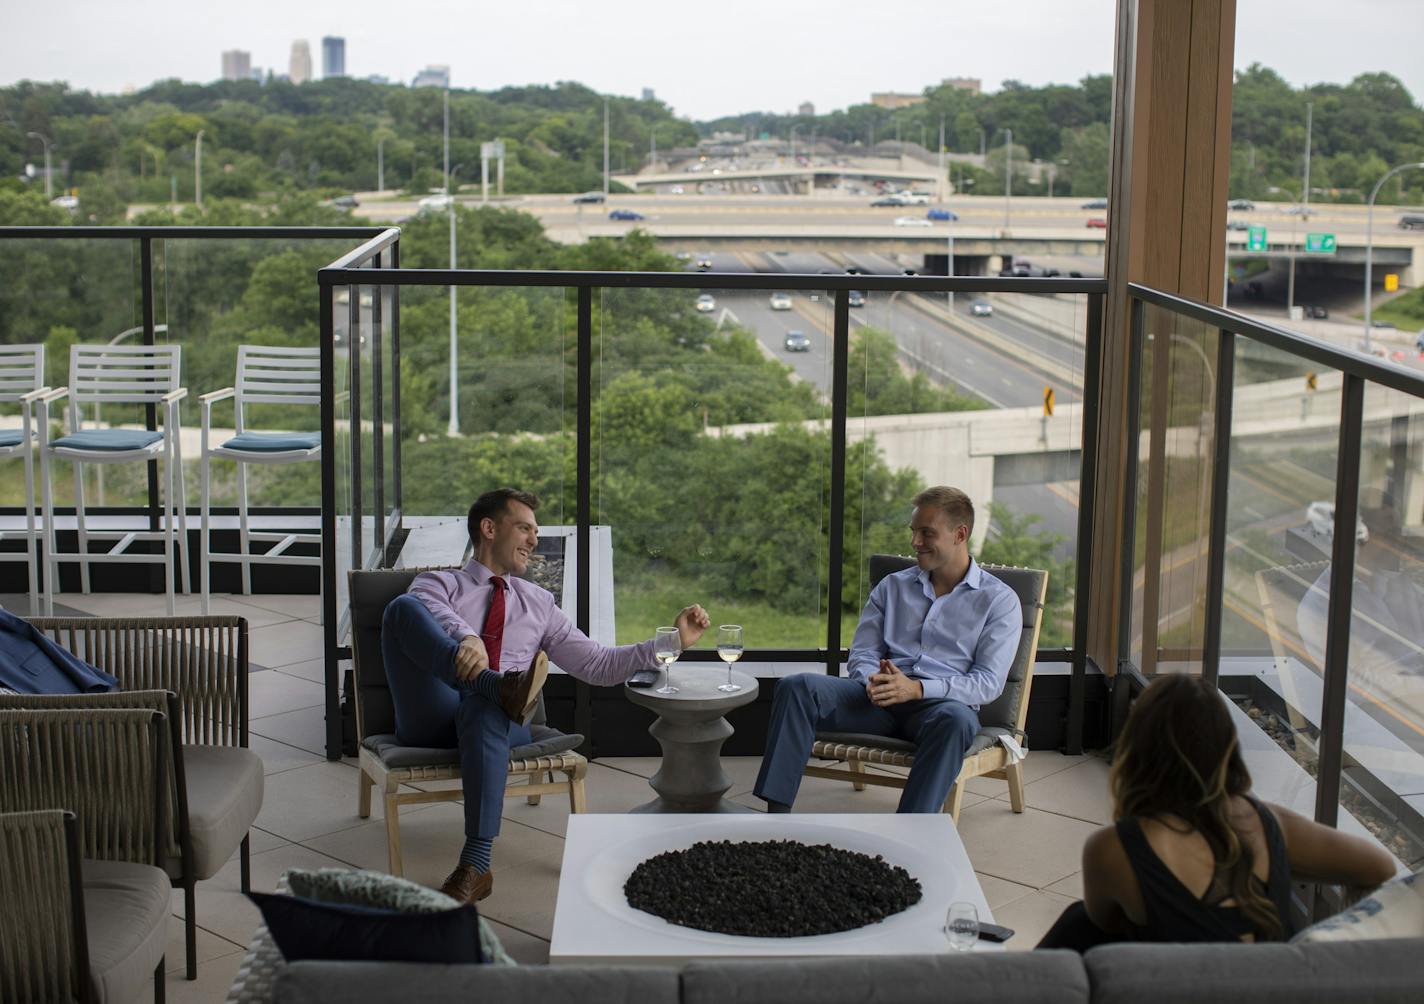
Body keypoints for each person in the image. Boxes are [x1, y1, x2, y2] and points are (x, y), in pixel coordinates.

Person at [382, 487, 710, 904]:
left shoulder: (539, 603)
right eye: (524, 528)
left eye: (535, 532)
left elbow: (598, 664)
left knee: (488, 708)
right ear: (488, 528)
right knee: (401, 610)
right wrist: (467, 638)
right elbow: (428, 614)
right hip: (432, 713)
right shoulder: (438, 583)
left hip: (496, 725)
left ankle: (475, 864)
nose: (534, 541)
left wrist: (673, 642)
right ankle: (495, 684)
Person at [1038, 673, 1396, 950]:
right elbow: (1379, 866)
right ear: (1226, 744)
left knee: (1081, 922)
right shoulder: (1270, 824)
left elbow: (1105, 921)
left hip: (1171, 985)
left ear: (1137, 747)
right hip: (1267, 984)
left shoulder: (1111, 849)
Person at [752, 485, 1022, 814]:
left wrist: (917, 689)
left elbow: (988, 682)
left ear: (960, 534)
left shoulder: (999, 601)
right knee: (796, 687)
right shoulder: (892, 586)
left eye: (927, 533)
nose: (915, 542)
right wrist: (874, 682)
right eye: (913, 532)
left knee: (957, 722)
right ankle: (775, 820)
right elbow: (863, 653)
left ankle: (909, 828)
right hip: (875, 700)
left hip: (937, 710)